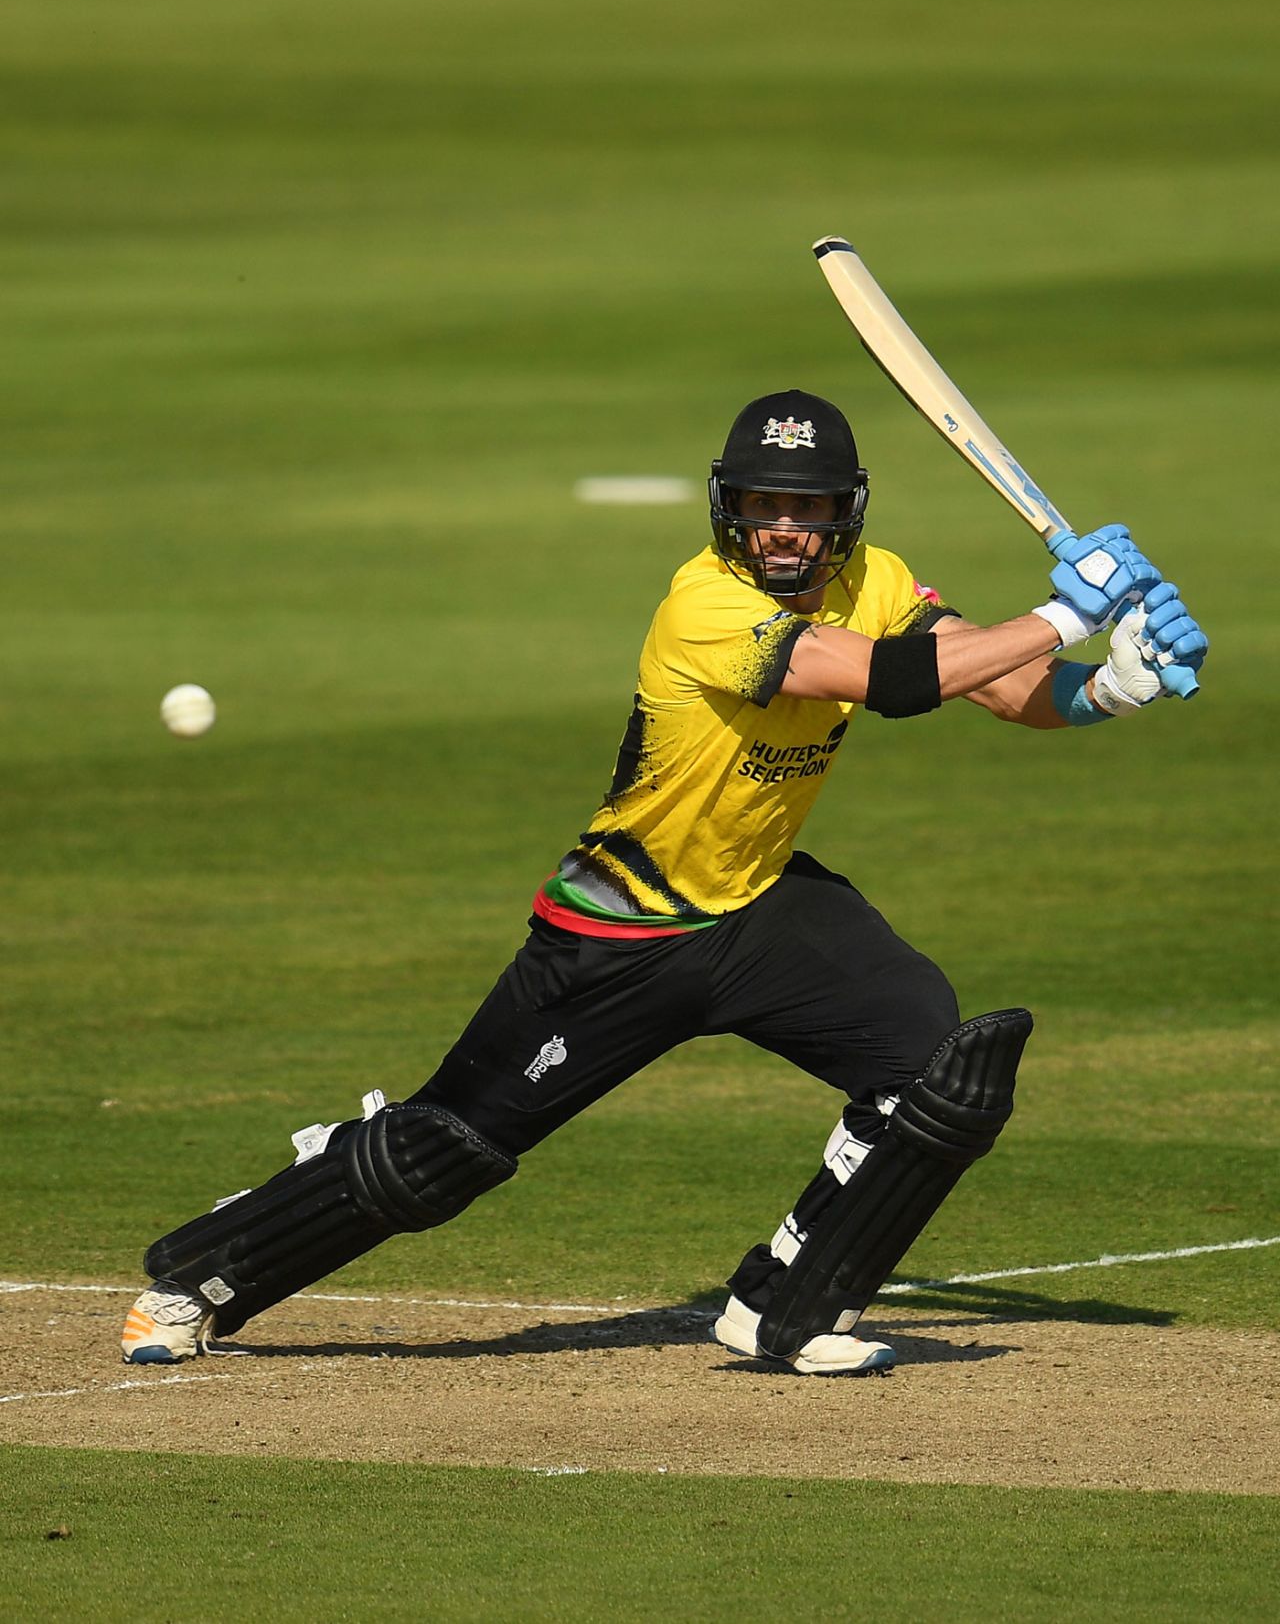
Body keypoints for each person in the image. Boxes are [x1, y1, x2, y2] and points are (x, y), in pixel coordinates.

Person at [121, 390, 1207, 1376]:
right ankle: (201, 1273)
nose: (784, 528)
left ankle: (783, 1308)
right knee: (440, 1157)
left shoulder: (873, 579)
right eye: (763, 504)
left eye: (808, 507)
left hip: (757, 906)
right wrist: (1068, 610)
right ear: (728, 510)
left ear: (845, 512)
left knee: (933, 1066)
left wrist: (1106, 685)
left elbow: (996, 680)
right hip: (619, 932)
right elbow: (881, 681)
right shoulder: (704, 604)